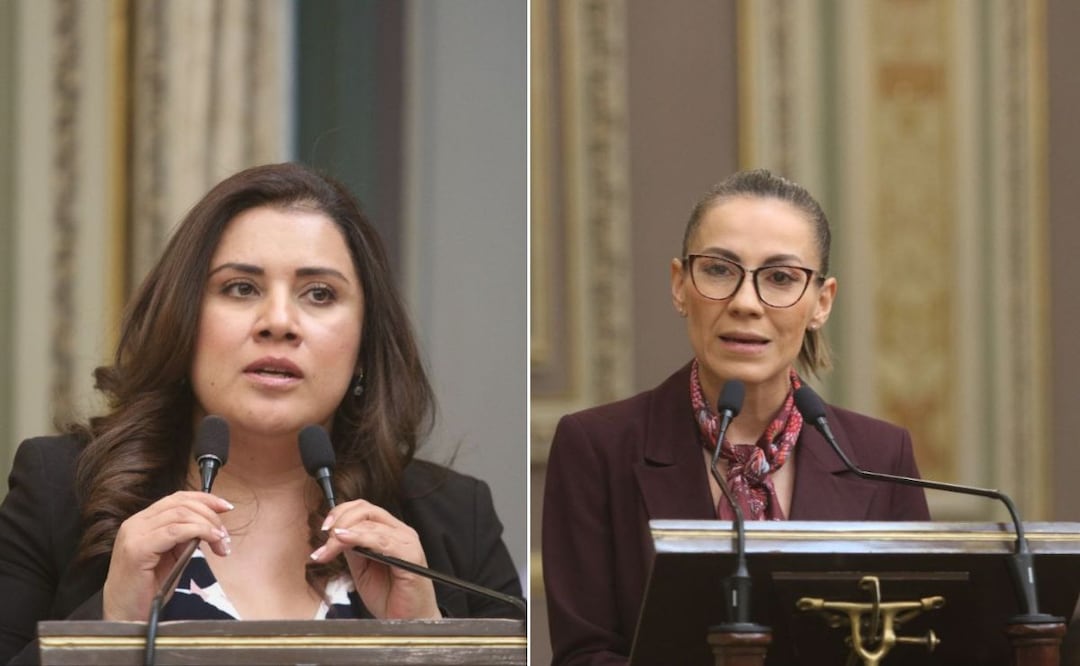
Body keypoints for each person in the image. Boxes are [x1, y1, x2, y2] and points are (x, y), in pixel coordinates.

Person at [0, 163, 523, 664]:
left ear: (364, 343)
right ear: (184, 322)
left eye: (319, 294)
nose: (278, 322)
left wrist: (429, 646)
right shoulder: (61, 491)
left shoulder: (454, 518)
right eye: (241, 288)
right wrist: (111, 625)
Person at [541, 169, 930, 664]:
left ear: (821, 302)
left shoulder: (879, 454)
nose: (746, 303)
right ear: (680, 284)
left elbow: (917, 646)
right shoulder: (596, 445)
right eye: (720, 270)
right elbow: (585, 655)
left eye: (781, 278)